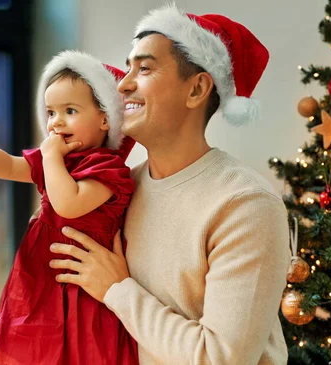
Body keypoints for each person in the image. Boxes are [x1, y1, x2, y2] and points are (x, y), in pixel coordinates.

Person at [49, 5, 290, 365]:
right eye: (127, 67)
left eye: (144, 68)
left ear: (196, 89)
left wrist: (117, 289)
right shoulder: (118, 192)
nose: (123, 84)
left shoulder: (246, 205)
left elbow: (220, 358)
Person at [0, 51, 138, 365]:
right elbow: (8, 165)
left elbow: (69, 203)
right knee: (34, 348)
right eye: (51, 112)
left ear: (106, 119)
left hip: (82, 285)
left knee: (83, 350)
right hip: (40, 279)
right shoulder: (57, 160)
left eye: (70, 110)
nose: (56, 122)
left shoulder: (107, 169)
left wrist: (50, 159)